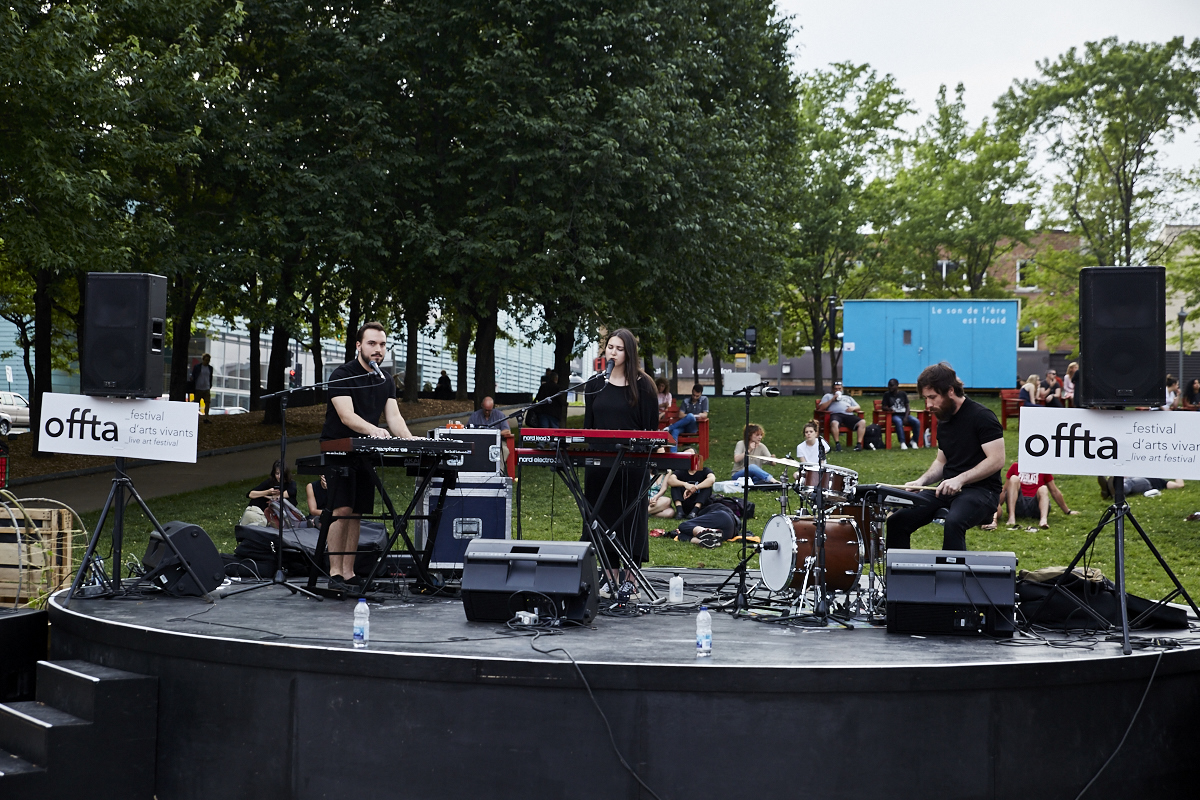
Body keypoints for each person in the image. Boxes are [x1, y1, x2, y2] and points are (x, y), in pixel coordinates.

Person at [321, 321, 415, 593]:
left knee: (357, 513)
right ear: (359, 346)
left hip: (365, 451)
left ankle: (349, 574)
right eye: (372, 344)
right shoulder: (343, 374)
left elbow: (394, 417)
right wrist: (375, 431)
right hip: (339, 448)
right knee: (341, 510)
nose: (378, 350)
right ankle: (334, 573)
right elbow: (345, 415)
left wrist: (411, 440)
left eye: (382, 345)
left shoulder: (384, 379)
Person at [885, 362, 1005, 552]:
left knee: (953, 522)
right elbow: (942, 461)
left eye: (932, 397)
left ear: (950, 391)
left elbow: (997, 459)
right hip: (947, 489)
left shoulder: (982, 416)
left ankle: (953, 580)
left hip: (983, 490)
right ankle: (902, 580)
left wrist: (960, 479)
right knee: (897, 521)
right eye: (926, 398)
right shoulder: (944, 420)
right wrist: (921, 480)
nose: (929, 405)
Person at [583, 328, 659, 600]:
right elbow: (587, 429)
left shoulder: (645, 386)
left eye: (619, 348)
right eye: (610, 347)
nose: (612, 352)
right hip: (599, 465)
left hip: (632, 465)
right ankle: (609, 576)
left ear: (629, 352)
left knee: (630, 521)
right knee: (601, 518)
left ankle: (630, 579)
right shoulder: (594, 385)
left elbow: (652, 431)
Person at [982, 462, 1079, 530]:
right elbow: (1004, 490)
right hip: (1018, 504)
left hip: (1036, 505)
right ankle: (1011, 517)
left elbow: (1054, 491)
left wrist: (1068, 511)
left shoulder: (1043, 468)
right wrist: (994, 509)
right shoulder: (1016, 466)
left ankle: (1043, 520)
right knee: (1014, 479)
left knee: (1043, 488)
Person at [664, 496, 744, 549]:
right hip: (729, 532)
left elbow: (689, 525)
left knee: (683, 525)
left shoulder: (707, 509)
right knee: (681, 536)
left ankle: (701, 531)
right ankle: (703, 541)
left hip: (723, 518)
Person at [241, 460, 299, 527]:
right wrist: (267, 492)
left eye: (281, 474)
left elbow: (290, 493)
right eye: (277, 474)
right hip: (261, 512)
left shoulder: (291, 484)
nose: (279, 476)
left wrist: (273, 497)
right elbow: (250, 494)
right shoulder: (270, 482)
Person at [816, 380, 866, 451]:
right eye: (836, 389)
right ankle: (837, 444)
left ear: (842, 389)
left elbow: (858, 407)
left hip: (848, 415)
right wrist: (832, 400)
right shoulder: (828, 396)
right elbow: (821, 408)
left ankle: (858, 445)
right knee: (834, 423)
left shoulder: (848, 397)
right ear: (832, 389)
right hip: (835, 414)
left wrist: (853, 408)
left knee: (862, 422)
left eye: (839, 389)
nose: (837, 390)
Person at [667, 452, 716, 518]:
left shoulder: (705, 470)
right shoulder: (681, 471)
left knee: (707, 487)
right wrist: (685, 484)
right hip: (685, 501)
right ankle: (680, 512)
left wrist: (696, 487)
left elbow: (711, 479)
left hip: (701, 505)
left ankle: (694, 512)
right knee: (675, 485)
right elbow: (670, 480)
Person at [469, 396, 515, 463]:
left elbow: (507, 431)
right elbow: (468, 430)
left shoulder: (500, 415)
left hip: (497, 442)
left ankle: (499, 472)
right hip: (479, 442)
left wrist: (494, 433)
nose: (487, 412)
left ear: (493, 407)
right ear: (482, 405)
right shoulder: (475, 416)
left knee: (504, 450)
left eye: (489, 410)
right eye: (485, 410)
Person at [880, 378, 921, 449]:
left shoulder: (903, 394)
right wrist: (889, 409)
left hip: (904, 414)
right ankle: (902, 442)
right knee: (898, 422)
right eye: (889, 385)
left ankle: (914, 441)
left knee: (916, 421)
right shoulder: (887, 395)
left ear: (897, 385)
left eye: (892, 385)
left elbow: (907, 406)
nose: (890, 387)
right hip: (895, 415)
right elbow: (883, 407)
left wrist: (906, 417)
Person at [667, 384, 708, 452]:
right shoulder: (686, 401)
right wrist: (695, 415)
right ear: (692, 392)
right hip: (683, 426)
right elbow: (680, 415)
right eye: (693, 395)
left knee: (691, 416)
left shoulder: (704, 400)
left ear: (701, 394)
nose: (695, 397)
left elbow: (705, 414)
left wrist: (693, 416)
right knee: (675, 431)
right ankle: (673, 454)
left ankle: (669, 428)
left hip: (693, 427)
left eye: (697, 396)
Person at [1099, 476, 1185, 499]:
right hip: (1134, 478)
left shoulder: (1162, 482)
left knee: (1130, 483)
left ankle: (1111, 488)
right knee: (1128, 482)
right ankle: (1111, 489)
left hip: (1147, 483)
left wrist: (1177, 473)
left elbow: (1180, 485)